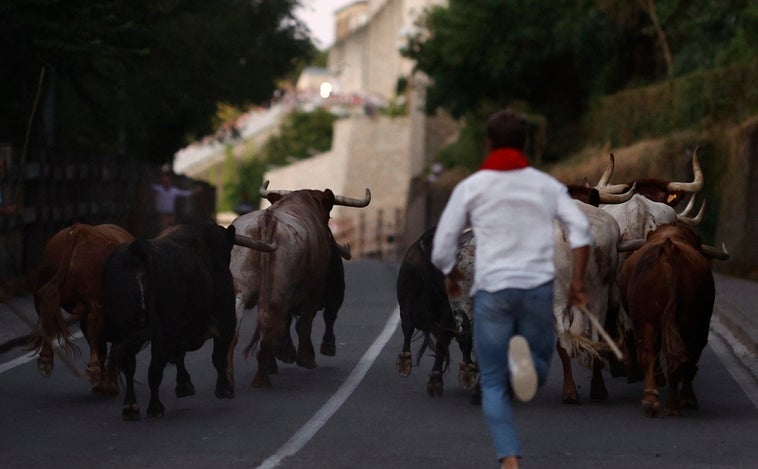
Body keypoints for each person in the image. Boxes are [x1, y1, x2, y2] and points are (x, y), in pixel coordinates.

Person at [430, 108, 592, 469]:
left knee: (491, 383)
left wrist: (452, 272)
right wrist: (578, 282)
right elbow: (581, 231)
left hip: (493, 293)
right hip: (536, 293)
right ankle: (526, 363)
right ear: (526, 144)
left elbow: (442, 245)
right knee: (538, 367)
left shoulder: (472, 187)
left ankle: (510, 457)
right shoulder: (546, 185)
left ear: (488, 143)